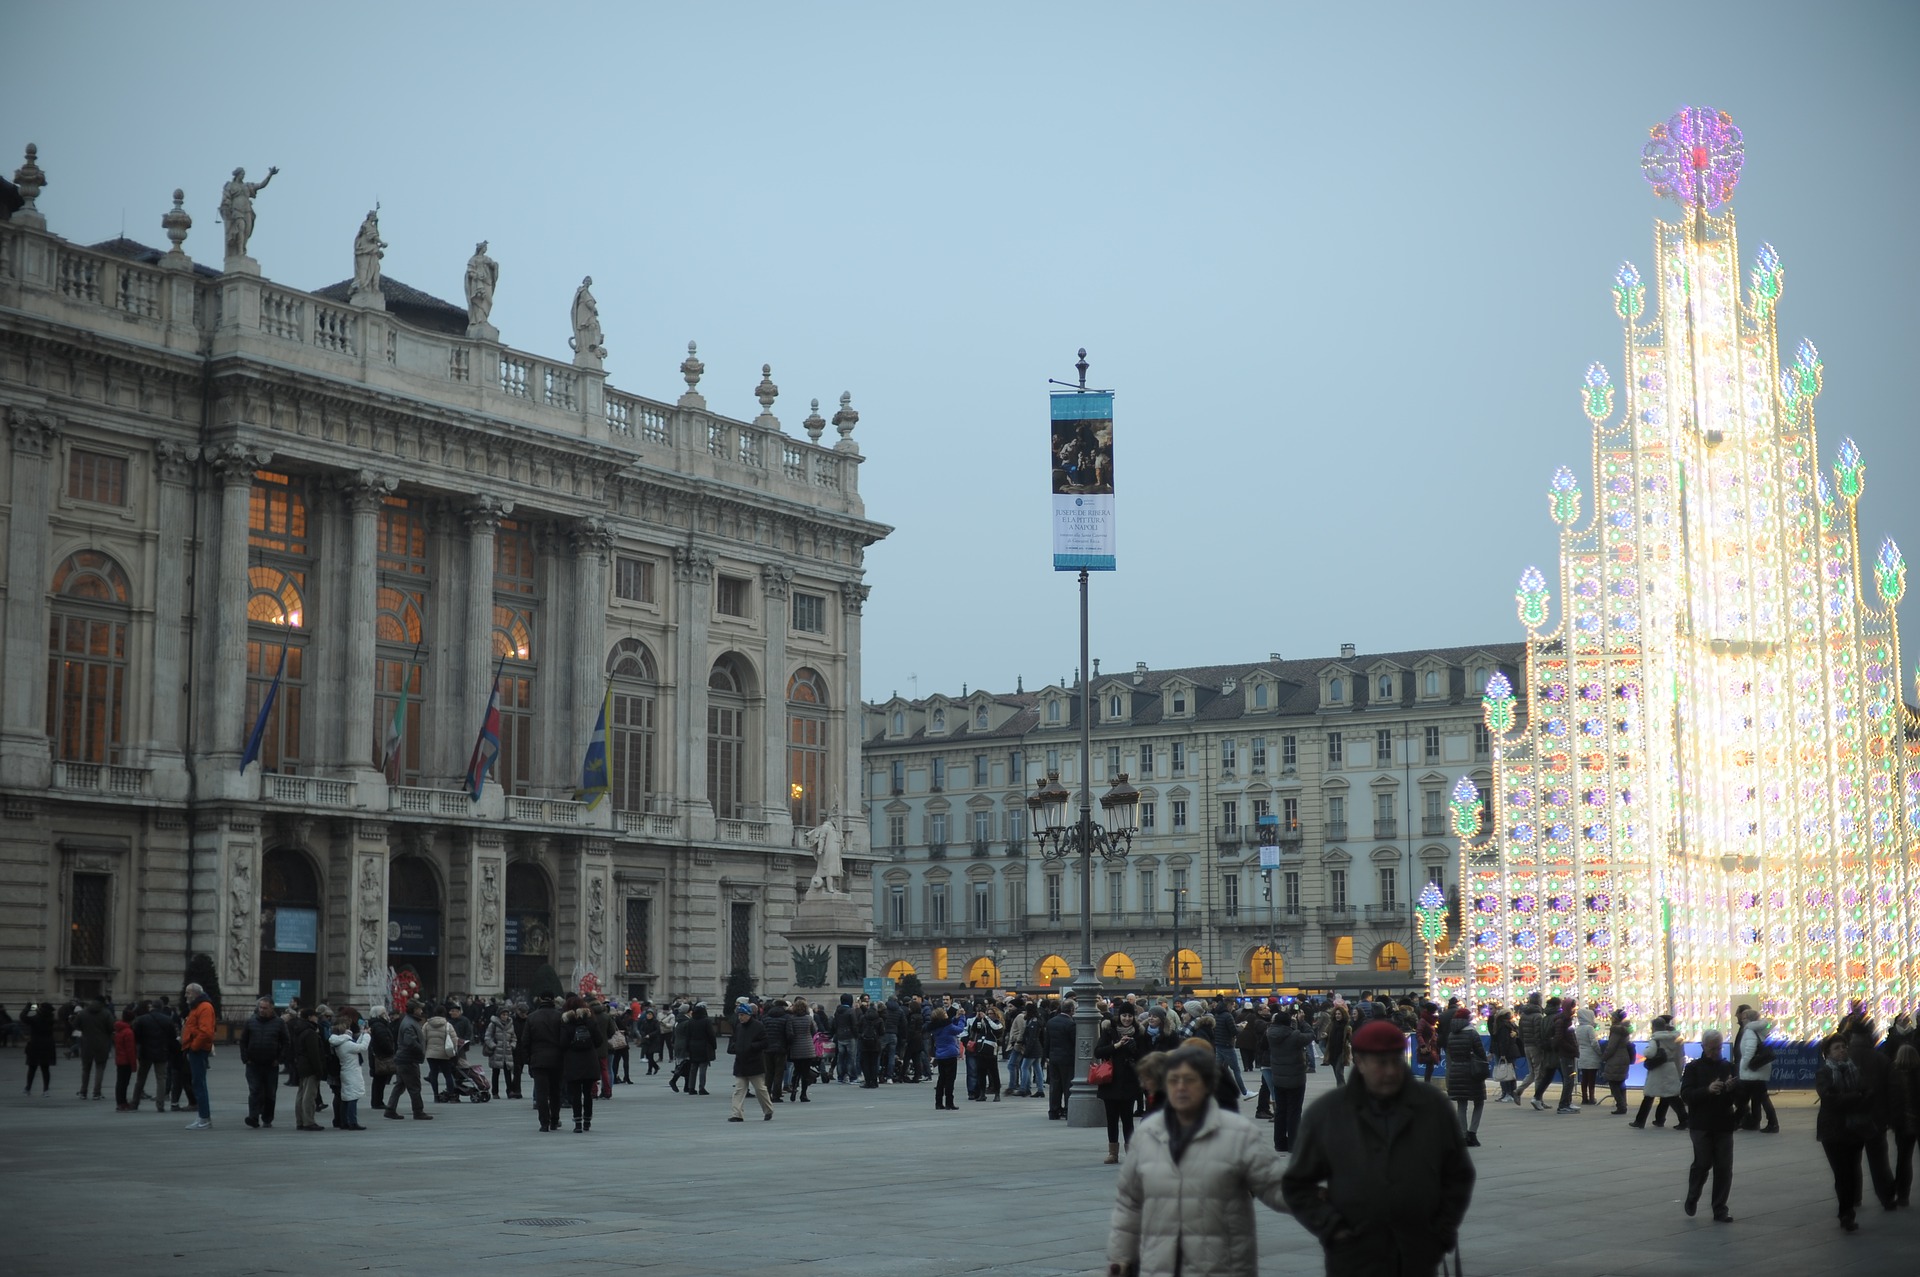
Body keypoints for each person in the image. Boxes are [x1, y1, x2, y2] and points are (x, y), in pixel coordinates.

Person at [1283, 1019, 1475, 1275]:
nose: (1390, 1071)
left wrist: (1441, 1230)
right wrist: (1333, 1229)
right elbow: (1298, 1184)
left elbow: (1458, 1173)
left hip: (1418, 1252)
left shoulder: (1431, 1107)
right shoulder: (1329, 1113)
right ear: (1360, 1062)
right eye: (1380, 1063)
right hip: (1354, 1255)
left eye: (1396, 1060)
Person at [1106, 1045, 1290, 1277]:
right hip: (1160, 1266)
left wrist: (1326, 1204)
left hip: (1221, 1266)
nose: (1181, 1087)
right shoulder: (1147, 1134)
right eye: (1173, 1080)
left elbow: (1277, 1187)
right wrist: (1120, 1258)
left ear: (1207, 1085)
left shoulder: (1239, 1133)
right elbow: (1128, 1204)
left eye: (1189, 1080)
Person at [1815, 1033, 1891, 1231]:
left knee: (1850, 1171)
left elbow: (1869, 1093)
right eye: (1837, 1048)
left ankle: (1848, 1211)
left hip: (1855, 1129)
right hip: (1832, 1131)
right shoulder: (1824, 1073)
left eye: (1843, 1046)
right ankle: (1845, 1212)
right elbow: (1829, 1099)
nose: (1842, 1050)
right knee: (1841, 1173)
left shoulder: (1855, 1070)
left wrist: (1850, 1098)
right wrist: (1855, 1097)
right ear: (1828, 1054)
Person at [1679, 1029, 1738, 1222]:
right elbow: (1686, 1095)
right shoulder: (1693, 1068)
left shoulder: (1728, 1066)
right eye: (1712, 1048)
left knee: (1724, 1167)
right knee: (1703, 1163)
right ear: (1703, 1047)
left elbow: (1739, 1098)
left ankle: (1720, 1208)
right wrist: (1707, 1090)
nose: (1716, 1052)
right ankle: (1693, 1195)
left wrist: (1731, 1089)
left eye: (1719, 1048)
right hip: (1701, 1123)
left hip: (1723, 1123)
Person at [1096, 1004, 1144, 1163]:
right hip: (1110, 1081)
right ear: (1119, 1016)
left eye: (1130, 1016)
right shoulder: (1110, 1031)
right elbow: (1098, 1051)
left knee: (1128, 1118)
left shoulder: (1139, 1033)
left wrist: (1134, 1048)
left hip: (1129, 1082)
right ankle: (1113, 1153)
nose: (1127, 1019)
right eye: (1124, 1015)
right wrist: (1116, 1046)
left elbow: (1143, 1058)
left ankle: (1131, 1152)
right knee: (1112, 1119)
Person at [1265, 1009, 1312, 1154]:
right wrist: (1302, 1022)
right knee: (1294, 1112)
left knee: (1281, 1111)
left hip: (1278, 1078)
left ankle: (1279, 1143)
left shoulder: (1270, 1034)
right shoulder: (1294, 1036)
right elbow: (1311, 1036)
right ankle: (1293, 1143)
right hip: (1295, 1078)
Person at [1630, 1015, 1687, 1129]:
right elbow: (1679, 1053)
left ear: (1654, 1028)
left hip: (1658, 1070)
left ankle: (1640, 1121)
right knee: (1672, 1096)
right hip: (1670, 1067)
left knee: (1649, 1096)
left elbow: (1649, 1053)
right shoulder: (1675, 1038)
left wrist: (1646, 1050)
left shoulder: (1656, 1039)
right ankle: (1684, 1119)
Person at [560, 994, 606, 1133]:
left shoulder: (566, 1022)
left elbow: (562, 1044)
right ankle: (587, 1122)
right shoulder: (590, 1020)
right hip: (589, 1061)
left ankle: (578, 1124)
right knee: (587, 1093)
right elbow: (599, 1041)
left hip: (573, 1062)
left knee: (575, 1094)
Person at [382, 1000, 432, 1122]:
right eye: (419, 1009)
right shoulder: (410, 1023)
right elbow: (410, 1042)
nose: (421, 1011)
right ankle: (418, 1111)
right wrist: (421, 1049)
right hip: (408, 1059)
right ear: (415, 1010)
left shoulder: (408, 1021)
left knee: (400, 1085)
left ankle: (390, 1109)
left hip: (403, 1059)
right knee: (414, 1087)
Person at [1445, 1006, 1489, 1146]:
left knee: (1461, 1104)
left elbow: (1450, 1054)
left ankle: (1463, 1135)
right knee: (1479, 1101)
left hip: (1456, 1071)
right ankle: (1472, 1133)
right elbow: (1480, 1053)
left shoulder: (1451, 1034)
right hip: (1472, 1071)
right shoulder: (1472, 1033)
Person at [1531, 996, 1580, 1113]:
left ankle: (1537, 1097)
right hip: (1559, 1051)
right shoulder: (1560, 1019)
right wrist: (1570, 1047)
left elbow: (1539, 1034)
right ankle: (1565, 1102)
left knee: (1548, 1075)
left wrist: (1544, 1045)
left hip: (1548, 1050)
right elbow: (1559, 1037)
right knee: (1566, 1078)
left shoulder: (1544, 1018)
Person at [726, 1000, 774, 1122]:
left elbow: (765, 1042)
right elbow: (734, 1041)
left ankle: (768, 1110)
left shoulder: (758, 1026)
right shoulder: (738, 1027)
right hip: (740, 1063)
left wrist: (752, 1046)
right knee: (739, 1090)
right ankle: (737, 1114)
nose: (740, 1017)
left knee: (760, 1089)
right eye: (739, 1015)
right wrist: (734, 1047)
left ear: (749, 1015)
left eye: (742, 1015)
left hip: (754, 1063)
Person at [1733, 1007, 1778, 1133]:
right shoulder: (1759, 1030)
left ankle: (1771, 1123)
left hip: (1752, 1070)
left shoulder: (1749, 1031)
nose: (1742, 1020)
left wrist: (1744, 1065)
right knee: (1757, 1097)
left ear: (1749, 1019)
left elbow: (1749, 1050)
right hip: (1759, 1069)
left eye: (1744, 1018)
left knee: (1749, 1098)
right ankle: (1754, 1121)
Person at [524, 994, 565, 1131]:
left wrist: (529, 1058)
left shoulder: (531, 1017)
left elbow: (525, 1041)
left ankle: (544, 1123)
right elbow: (564, 1039)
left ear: (540, 1000)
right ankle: (554, 1120)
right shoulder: (560, 1017)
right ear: (553, 1000)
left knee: (541, 1093)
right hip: (557, 1060)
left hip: (538, 1060)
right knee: (555, 1092)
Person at [328, 1007, 370, 1130]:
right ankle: (352, 1121)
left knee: (346, 1097)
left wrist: (362, 1034)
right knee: (352, 1097)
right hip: (351, 1072)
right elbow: (362, 1047)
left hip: (346, 1071)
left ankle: (344, 1121)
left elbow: (356, 1045)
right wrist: (367, 1035)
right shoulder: (345, 1044)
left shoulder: (340, 1042)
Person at [181, 983, 216, 1129]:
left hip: (198, 1050)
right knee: (197, 1082)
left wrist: (194, 1047)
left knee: (199, 1083)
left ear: (195, 993)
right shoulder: (198, 1006)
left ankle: (204, 1118)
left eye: (188, 993)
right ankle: (202, 1116)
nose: (186, 996)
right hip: (194, 1049)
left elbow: (206, 1032)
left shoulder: (204, 1007)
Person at [1890, 1043, 1919, 1208]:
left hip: (1902, 1123)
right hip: (1917, 1120)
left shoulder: (1893, 1074)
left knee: (1903, 1160)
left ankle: (1903, 1195)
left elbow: (1891, 1100)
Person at [73, 998, 113, 1099]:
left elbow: (76, 1025)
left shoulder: (82, 1013)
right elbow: (111, 1028)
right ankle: (97, 1092)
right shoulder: (106, 1013)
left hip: (86, 1043)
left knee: (86, 1069)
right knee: (100, 1068)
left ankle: (83, 1092)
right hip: (102, 1044)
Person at [1046, 996, 1079, 1120]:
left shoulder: (1051, 1021)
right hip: (1067, 1058)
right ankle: (1067, 1110)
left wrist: (1047, 1056)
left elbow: (1047, 1041)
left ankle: (1053, 1111)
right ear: (1071, 1010)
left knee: (1055, 1085)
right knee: (1067, 1085)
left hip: (1053, 1057)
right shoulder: (1071, 1024)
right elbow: (1074, 1042)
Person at [1599, 1010, 1634, 1115]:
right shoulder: (1625, 1030)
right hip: (1624, 1057)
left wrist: (1604, 1057)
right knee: (1621, 1082)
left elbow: (1611, 1047)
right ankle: (1623, 1103)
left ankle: (1621, 1105)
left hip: (1615, 1058)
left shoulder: (1615, 1030)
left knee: (1613, 1083)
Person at [423, 1003, 459, 1102]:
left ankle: (436, 1096)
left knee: (434, 1074)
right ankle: (451, 1095)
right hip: (445, 1054)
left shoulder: (427, 1024)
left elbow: (423, 1039)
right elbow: (455, 1039)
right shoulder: (448, 1025)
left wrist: (425, 1050)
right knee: (447, 1074)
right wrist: (454, 1051)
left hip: (431, 1054)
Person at [931, 1008, 964, 1111]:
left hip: (940, 1055)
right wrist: (962, 1018)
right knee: (950, 1079)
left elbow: (949, 1024)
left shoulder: (935, 1027)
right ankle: (949, 1102)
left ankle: (938, 1102)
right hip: (950, 1054)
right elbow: (959, 1029)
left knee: (941, 1079)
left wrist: (955, 1018)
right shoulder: (948, 1027)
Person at [785, 996, 818, 1101]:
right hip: (808, 1048)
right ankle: (803, 1094)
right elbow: (814, 1031)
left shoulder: (791, 1019)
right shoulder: (809, 1018)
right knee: (805, 1072)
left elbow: (789, 1033)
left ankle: (794, 1090)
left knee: (796, 1071)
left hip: (795, 1048)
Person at [683, 1002, 717, 1096]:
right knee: (703, 1068)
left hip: (692, 1046)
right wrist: (714, 1046)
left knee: (693, 1068)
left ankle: (691, 1087)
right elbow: (711, 1035)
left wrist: (687, 1047)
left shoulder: (691, 1021)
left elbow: (687, 1035)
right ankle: (701, 1087)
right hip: (704, 1046)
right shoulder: (706, 1021)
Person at [21, 1000, 55, 1093]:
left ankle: (28, 1088)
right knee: (45, 1068)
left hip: (35, 1045)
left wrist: (28, 1007)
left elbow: (23, 1017)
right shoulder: (51, 1019)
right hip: (47, 1046)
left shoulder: (35, 1019)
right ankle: (46, 1089)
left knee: (32, 1068)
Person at [484, 1007, 516, 1099]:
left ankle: (509, 1091)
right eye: (503, 1014)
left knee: (508, 1072)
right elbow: (487, 1037)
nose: (505, 1016)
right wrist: (493, 1045)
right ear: (499, 1015)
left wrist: (512, 1045)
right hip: (496, 1052)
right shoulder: (493, 1024)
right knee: (495, 1072)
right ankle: (495, 1092)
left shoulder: (510, 1025)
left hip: (507, 1052)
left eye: (506, 1015)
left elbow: (514, 1037)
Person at [1574, 1005, 1601, 1106]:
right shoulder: (1589, 1028)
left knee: (1584, 1078)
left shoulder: (1578, 1028)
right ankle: (1592, 1097)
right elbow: (1594, 1043)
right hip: (1591, 1055)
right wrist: (1600, 1053)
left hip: (1582, 1055)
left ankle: (1584, 1097)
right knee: (1591, 1078)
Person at [112, 1004, 138, 1110]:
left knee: (120, 1082)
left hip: (119, 1059)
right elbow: (130, 1050)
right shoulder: (128, 1032)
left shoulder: (119, 1030)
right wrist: (134, 1065)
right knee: (124, 1083)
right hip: (126, 1060)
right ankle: (122, 1102)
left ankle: (120, 1101)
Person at [1323, 1003, 1351, 1089]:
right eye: (1336, 1014)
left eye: (1339, 1014)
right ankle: (1342, 1089)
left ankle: (1342, 1091)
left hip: (1342, 1052)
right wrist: (1325, 1035)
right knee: (1336, 1072)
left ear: (1343, 1015)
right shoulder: (1331, 1025)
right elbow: (1326, 1034)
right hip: (1332, 1052)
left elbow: (1350, 1039)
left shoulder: (1347, 1027)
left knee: (1339, 1071)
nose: (1337, 1016)